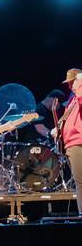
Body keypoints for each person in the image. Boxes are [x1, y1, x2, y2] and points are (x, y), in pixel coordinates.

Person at [60, 69, 82, 216]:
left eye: (71, 82)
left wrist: (80, 82)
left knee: (80, 182)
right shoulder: (72, 99)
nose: (69, 86)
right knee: (79, 181)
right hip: (71, 144)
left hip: (78, 141)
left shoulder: (79, 95)